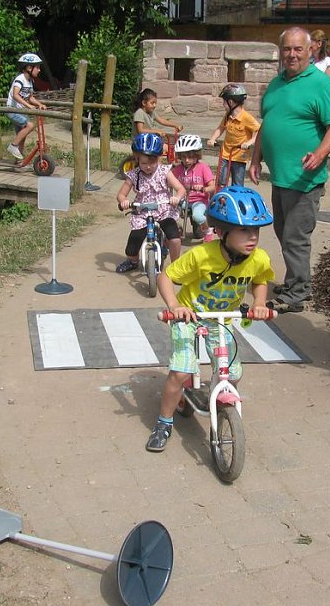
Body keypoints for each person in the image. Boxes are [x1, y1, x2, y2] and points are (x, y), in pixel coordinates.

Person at [146, 186, 275, 452]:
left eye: (256, 231)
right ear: (221, 232)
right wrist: (174, 306)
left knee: (234, 372)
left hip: (219, 320)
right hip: (189, 317)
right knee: (181, 371)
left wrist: (259, 302)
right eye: (244, 231)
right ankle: (164, 422)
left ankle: (218, 401)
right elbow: (165, 277)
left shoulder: (258, 258)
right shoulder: (202, 255)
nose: (253, 238)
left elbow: (261, 280)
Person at [248, 26, 330, 314]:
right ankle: (294, 282)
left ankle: (298, 292)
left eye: (297, 49)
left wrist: (319, 153)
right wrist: (255, 158)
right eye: (286, 49)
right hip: (281, 176)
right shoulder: (276, 84)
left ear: (310, 50)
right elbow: (268, 124)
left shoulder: (320, 84)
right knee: (282, 231)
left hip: (306, 179)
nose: (291, 54)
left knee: (294, 237)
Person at [115, 133, 186, 274]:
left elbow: (180, 188)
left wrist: (176, 197)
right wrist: (124, 201)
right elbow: (121, 194)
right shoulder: (134, 175)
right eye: (144, 163)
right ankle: (133, 261)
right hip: (142, 211)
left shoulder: (164, 171)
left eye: (152, 163)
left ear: (159, 159)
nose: (148, 167)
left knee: (175, 239)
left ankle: (176, 266)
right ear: (137, 159)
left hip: (164, 209)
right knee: (132, 245)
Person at [207, 84, 260, 187]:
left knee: (237, 184)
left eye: (224, 101)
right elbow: (221, 128)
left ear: (230, 102)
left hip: (239, 156)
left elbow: (259, 131)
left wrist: (249, 142)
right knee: (220, 182)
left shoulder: (246, 117)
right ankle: (221, 199)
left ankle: (235, 200)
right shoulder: (228, 116)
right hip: (225, 154)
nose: (223, 104)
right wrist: (212, 139)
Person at [171, 134, 216, 239]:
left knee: (197, 216)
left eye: (190, 157)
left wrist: (203, 188)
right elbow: (169, 180)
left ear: (197, 155)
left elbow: (212, 187)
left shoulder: (203, 168)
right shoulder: (178, 169)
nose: (186, 160)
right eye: (183, 157)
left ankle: (208, 230)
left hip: (199, 200)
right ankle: (172, 231)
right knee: (169, 212)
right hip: (183, 200)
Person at [5, 53, 48, 160]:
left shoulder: (30, 81)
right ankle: (13, 146)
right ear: (29, 67)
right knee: (30, 125)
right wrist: (29, 106)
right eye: (37, 67)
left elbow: (30, 97)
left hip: (20, 111)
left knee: (22, 136)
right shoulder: (20, 79)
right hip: (12, 110)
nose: (39, 70)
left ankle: (18, 161)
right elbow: (15, 95)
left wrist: (39, 104)